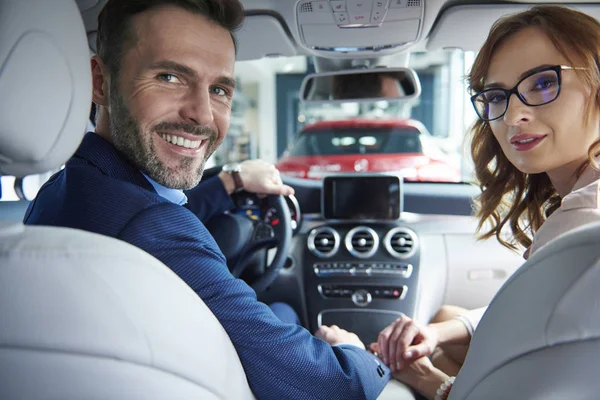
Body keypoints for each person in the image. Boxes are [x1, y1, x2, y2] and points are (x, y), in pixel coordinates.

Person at [23, 0, 390, 399]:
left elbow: (158, 214)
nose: (202, 115)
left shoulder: (59, 193)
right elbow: (336, 386)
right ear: (99, 81)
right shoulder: (156, 229)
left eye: (218, 89)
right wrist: (358, 352)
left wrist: (231, 182)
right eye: (169, 76)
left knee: (282, 313)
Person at [370, 5, 600, 399]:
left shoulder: (582, 220)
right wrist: (439, 332)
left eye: (543, 83)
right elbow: (532, 323)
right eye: (497, 96)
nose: (512, 116)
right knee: (445, 317)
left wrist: (420, 377)